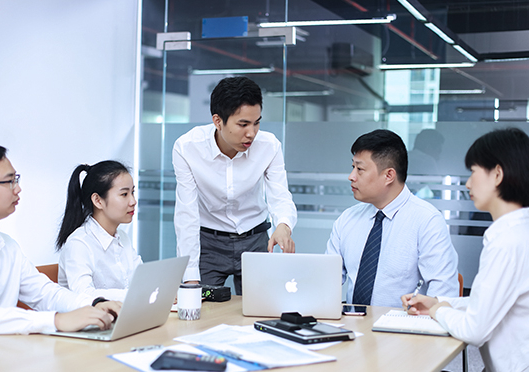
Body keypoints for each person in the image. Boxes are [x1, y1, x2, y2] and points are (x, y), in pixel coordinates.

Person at [403, 127, 529, 372]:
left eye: (473, 171)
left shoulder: (508, 242)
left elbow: (475, 330)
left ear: (497, 174)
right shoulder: (519, 232)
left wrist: (436, 310)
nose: (468, 184)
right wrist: (441, 302)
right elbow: (493, 302)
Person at [0, 141, 121, 340]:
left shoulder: (8, 247)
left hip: (5, 355)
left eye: (16, 179)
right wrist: (56, 321)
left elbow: (45, 293)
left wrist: (94, 304)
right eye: (9, 181)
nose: (18, 189)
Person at [172, 76, 297, 294]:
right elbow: (187, 213)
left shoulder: (269, 146)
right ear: (218, 121)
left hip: (255, 240)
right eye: (243, 124)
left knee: (260, 311)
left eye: (256, 122)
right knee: (201, 314)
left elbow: (280, 195)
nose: (251, 133)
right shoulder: (187, 148)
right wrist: (190, 275)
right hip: (208, 244)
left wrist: (283, 226)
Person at [326, 129, 459, 308]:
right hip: (350, 328)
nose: (351, 176)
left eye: (360, 169)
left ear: (389, 175)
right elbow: (325, 281)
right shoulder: (348, 219)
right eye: (353, 167)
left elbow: (443, 295)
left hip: (401, 330)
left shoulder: (427, 221)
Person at [56, 161, 141, 301]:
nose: (133, 201)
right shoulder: (79, 243)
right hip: (89, 322)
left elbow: (142, 281)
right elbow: (84, 294)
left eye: (132, 192)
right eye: (124, 194)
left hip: (122, 318)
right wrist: (134, 295)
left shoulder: (123, 238)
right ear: (98, 200)